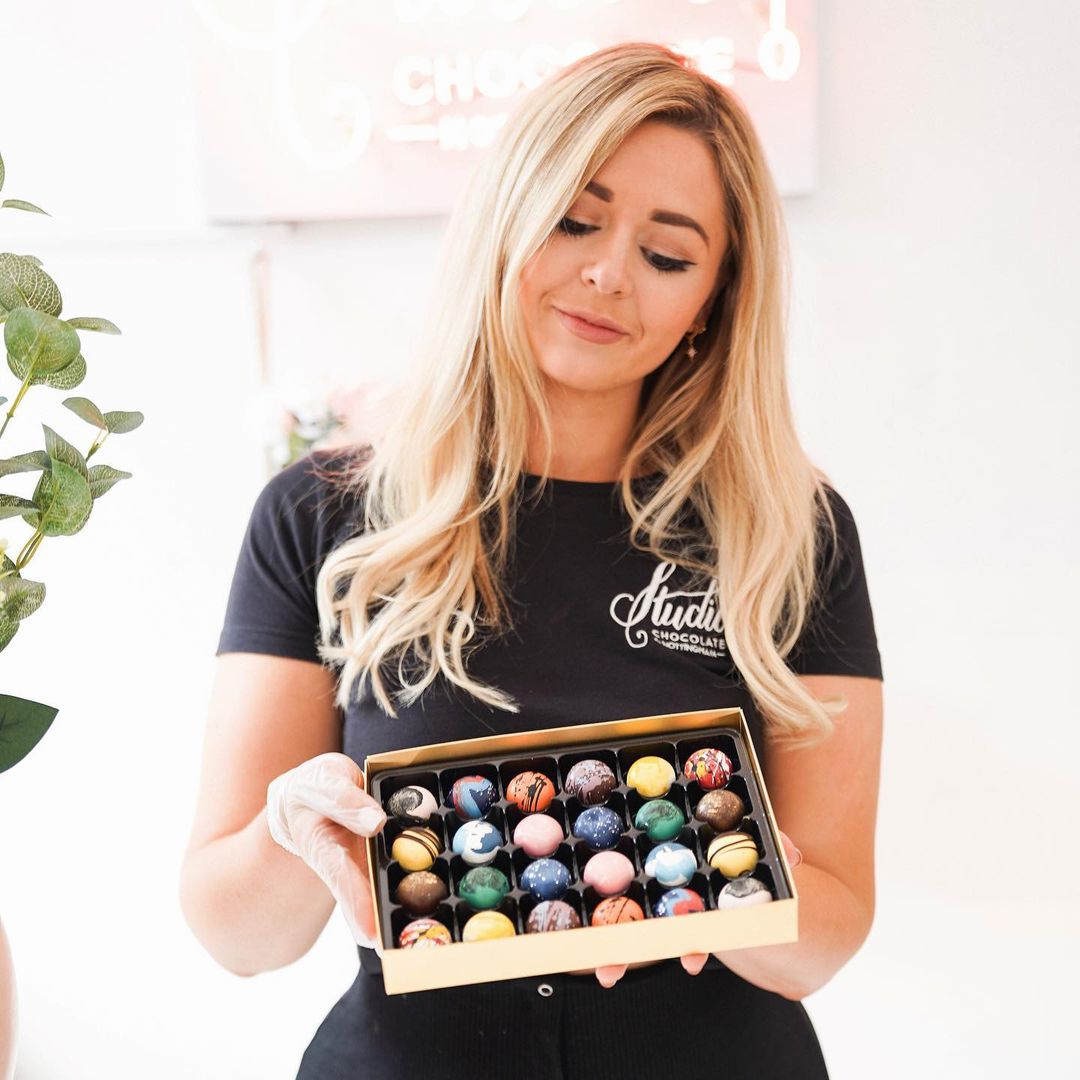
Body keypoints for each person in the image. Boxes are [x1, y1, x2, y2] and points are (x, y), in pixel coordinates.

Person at [179, 41, 883, 1080]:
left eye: (669, 254)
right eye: (575, 218)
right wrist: (296, 832)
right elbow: (239, 938)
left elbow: (823, 941)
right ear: (508, 212)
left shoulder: (789, 529)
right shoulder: (324, 515)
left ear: (715, 300)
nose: (608, 273)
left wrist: (663, 877)